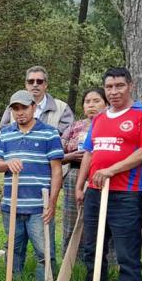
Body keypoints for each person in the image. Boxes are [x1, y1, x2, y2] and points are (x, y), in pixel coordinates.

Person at [76, 67, 142, 281]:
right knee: (92, 248)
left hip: (126, 194)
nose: (114, 92)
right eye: (109, 87)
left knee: (127, 252)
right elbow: (89, 153)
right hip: (95, 192)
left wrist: (111, 170)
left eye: (119, 86)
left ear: (130, 86)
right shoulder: (100, 117)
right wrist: (80, 186)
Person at [0, 90, 63, 281]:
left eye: (24, 107)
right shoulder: (5, 133)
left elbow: (57, 170)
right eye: (15, 109)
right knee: (13, 249)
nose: (20, 112)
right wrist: (7, 163)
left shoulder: (49, 133)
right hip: (12, 205)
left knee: (44, 251)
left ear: (33, 107)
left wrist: (52, 203)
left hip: (39, 206)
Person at [60, 88, 108, 255]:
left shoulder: (111, 125)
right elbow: (57, 154)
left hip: (103, 177)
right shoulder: (74, 126)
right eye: (87, 102)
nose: (91, 105)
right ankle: (71, 258)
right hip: (75, 175)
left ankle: (103, 259)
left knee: (102, 219)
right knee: (72, 218)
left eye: (96, 101)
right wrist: (71, 156)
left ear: (106, 104)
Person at [0, 66, 74, 134]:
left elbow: (68, 135)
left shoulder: (62, 107)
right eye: (31, 81)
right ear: (26, 84)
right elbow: (3, 131)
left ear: (45, 84)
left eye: (39, 81)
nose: (35, 84)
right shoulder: (13, 107)